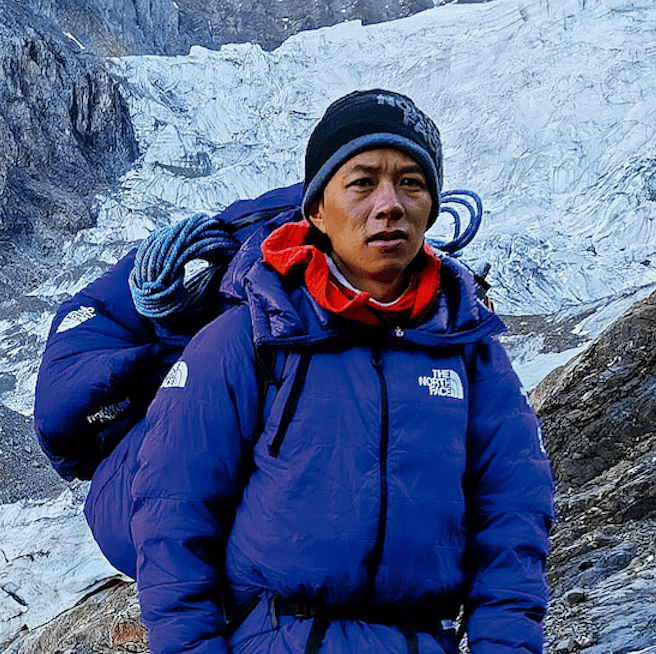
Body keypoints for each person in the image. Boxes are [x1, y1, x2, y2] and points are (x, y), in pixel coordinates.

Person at [127, 90, 554, 654]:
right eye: (362, 182)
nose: (390, 204)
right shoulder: (249, 336)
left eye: (411, 182)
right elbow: (172, 511)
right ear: (316, 210)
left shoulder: (469, 349)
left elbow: (513, 518)